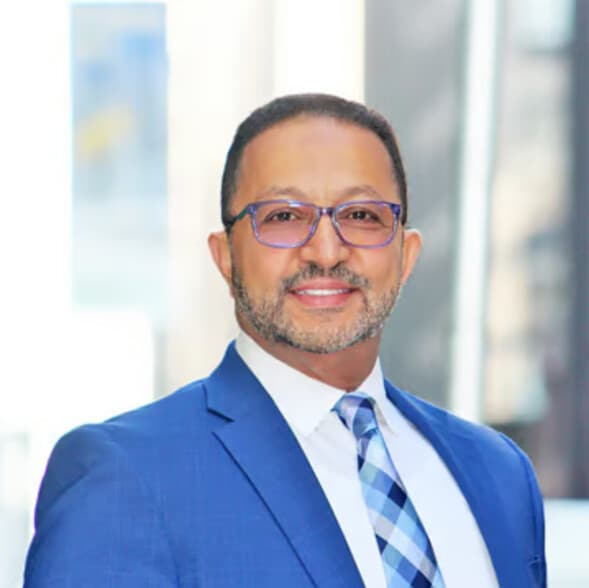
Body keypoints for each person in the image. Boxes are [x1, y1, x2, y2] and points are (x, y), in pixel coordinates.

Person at [23, 94, 546, 587]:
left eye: (361, 216)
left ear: (406, 256)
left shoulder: (499, 474)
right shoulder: (126, 474)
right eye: (283, 217)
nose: (325, 251)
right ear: (226, 257)